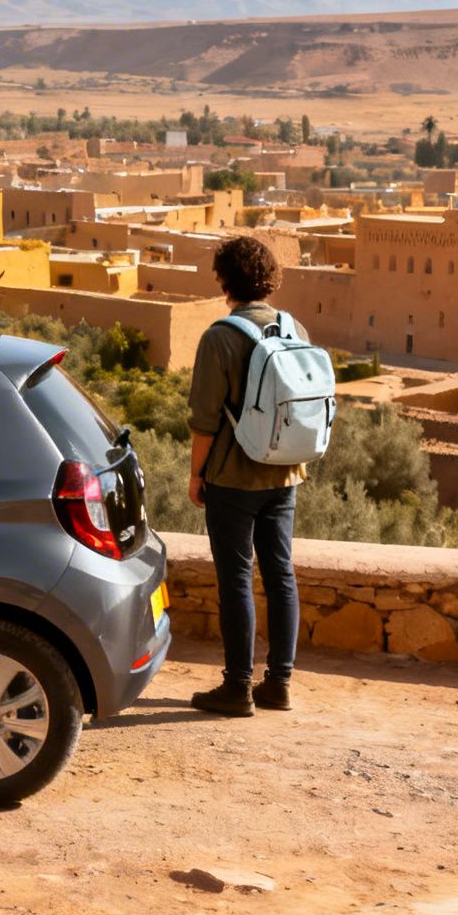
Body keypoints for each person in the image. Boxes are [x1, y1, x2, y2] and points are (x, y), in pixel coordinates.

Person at [186, 236, 305, 717]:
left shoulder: (220, 336)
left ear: (225, 279)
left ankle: (237, 687)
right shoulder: (293, 326)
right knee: (281, 575)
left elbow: (205, 420)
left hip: (233, 478)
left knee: (236, 577)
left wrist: (196, 476)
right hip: (285, 472)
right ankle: (278, 683)